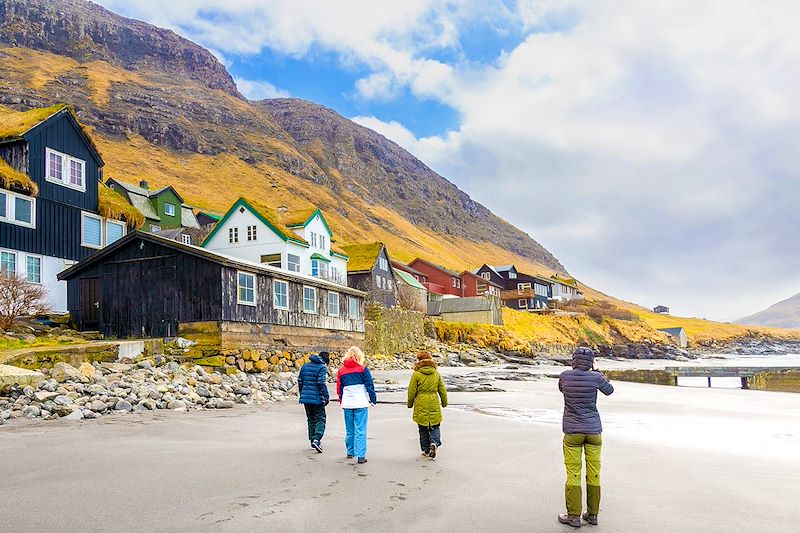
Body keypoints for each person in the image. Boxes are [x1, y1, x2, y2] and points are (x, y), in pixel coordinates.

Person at [557, 346, 614, 528]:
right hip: (593, 431)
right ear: (591, 361)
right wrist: (597, 371)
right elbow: (610, 390)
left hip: (572, 431)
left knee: (573, 473)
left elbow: (561, 389)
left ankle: (573, 516)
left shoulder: (565, 376)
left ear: (573, 360)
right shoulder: (596, 377)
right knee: (594, 473)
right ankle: (593, 514)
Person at [336, 346, 376, 464]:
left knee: (350, 430)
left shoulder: (341, 371)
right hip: (361, 403)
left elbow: (339, 388)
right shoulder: (363, 370)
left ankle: (350, 452)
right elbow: (370, 386)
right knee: (360, 429)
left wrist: (341, 400)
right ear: (359, 357)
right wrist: (373, 399)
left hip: (347, 403)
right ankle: (361, 455)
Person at [407, 351, 448, 459]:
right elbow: (442, 389)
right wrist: (444, 402)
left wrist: (410, 403)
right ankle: (434, 443)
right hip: (434, 401)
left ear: (419, 360)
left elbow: (411, 391)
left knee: (423, 427)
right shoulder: (436, 373)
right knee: (435, 425)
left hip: (421, 401)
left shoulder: (416, 374)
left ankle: (426, 450)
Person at [298, 351, 330, 453]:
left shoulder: (305, 366)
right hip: (317, 398)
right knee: (321, 418)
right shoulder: (321, 367)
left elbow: (300, 381)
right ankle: (317, 439)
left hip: (306, 397)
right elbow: (321, 383)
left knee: (311, 418)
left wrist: (302, 393)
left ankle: (313, 439)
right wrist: (326, 396)